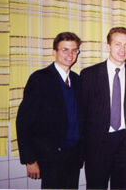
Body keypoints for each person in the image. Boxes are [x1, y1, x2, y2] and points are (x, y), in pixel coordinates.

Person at [16, 32, 83, 189]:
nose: (70, 54)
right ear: (55, 52)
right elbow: (24, 122)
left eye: (74, 50)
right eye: (65, 49)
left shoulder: (78, 80)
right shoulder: (40, 79)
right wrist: (30, 160)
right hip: (50, 157)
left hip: (73, 155)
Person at [80, 27, 126, 189]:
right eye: (117, 44)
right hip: (96, 146)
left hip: (125, 144)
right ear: (108, 46)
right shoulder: (89, 74)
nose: (122, 49)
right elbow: (82, 115)